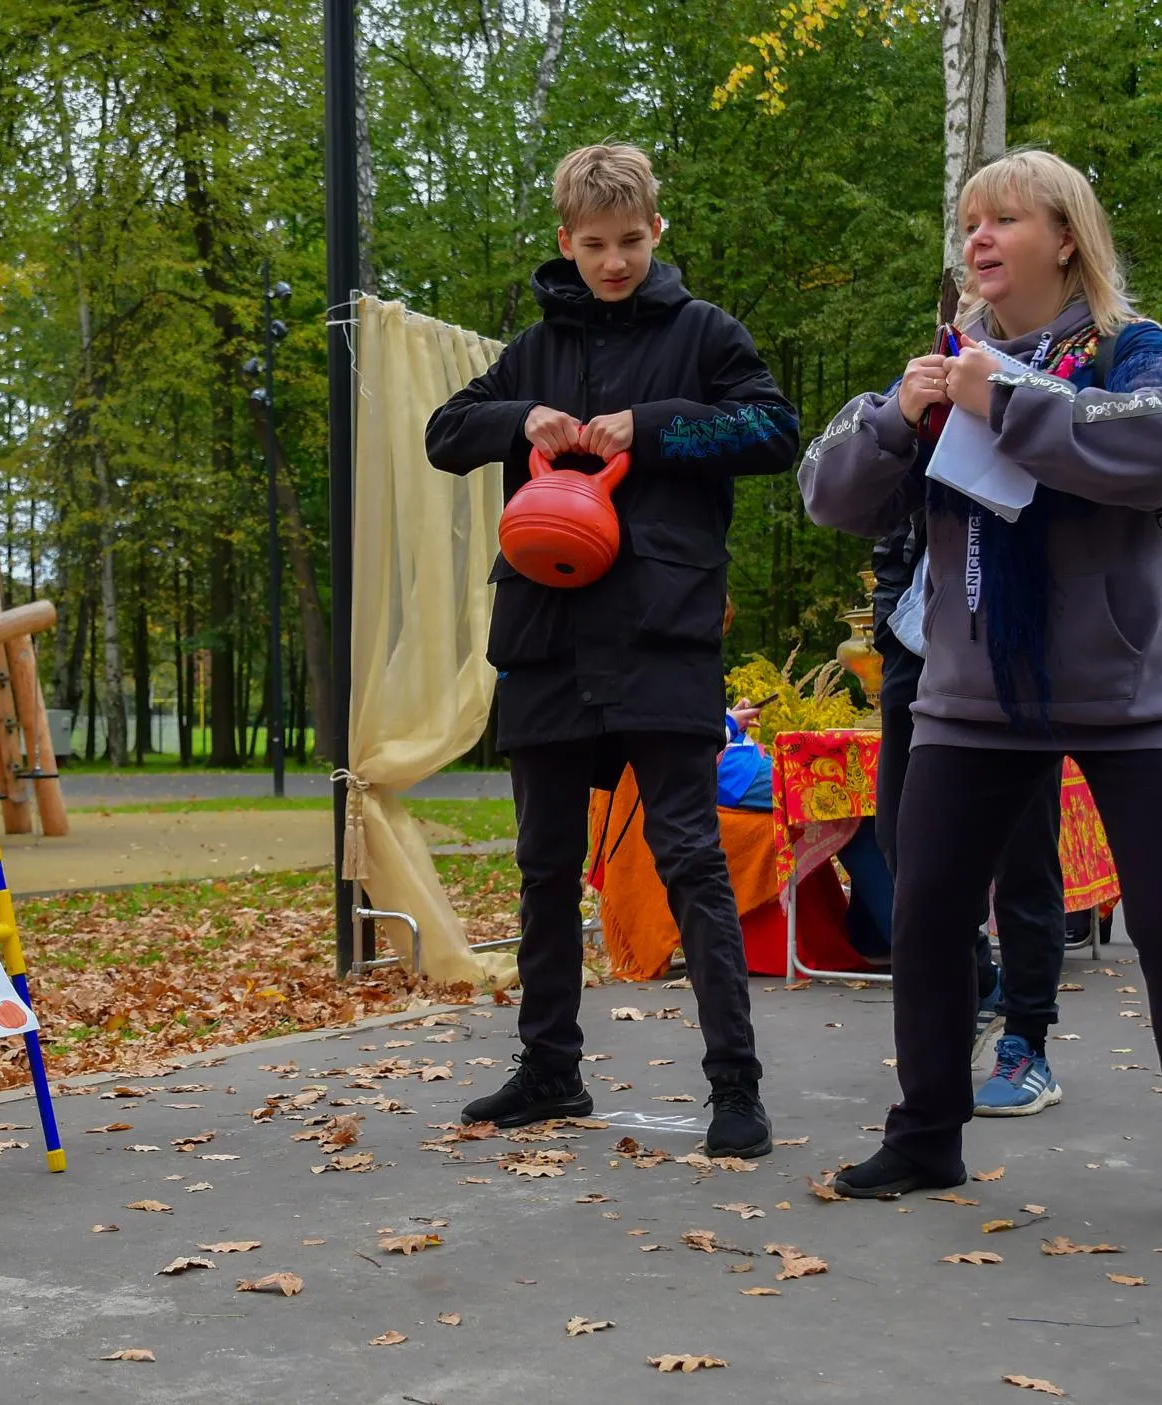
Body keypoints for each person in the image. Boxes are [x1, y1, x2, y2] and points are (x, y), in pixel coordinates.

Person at [799, 148, 1162, 1244]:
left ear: (1066, 237)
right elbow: (828, 493)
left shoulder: (1131, 349)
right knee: (928, 906)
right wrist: (899, 416)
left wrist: (1008, 397)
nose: (977, 239)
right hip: (975, 692)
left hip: (1140, 690)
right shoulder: (940, 367)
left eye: (1005, 219)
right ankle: (927, 1132)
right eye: (970, 223)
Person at [425, 142, 800, 1156]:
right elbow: (446, 432)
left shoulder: (703, 333)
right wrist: (524, 420)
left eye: (631, 241)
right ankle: (550, 1071)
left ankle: (735, 1086)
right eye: (594, 245)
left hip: (659, 633)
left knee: (690, 857)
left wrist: (654, 428)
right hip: (546, 637)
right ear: (566, 241)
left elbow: (773, 431)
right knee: (545, 865)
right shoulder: (533, 349)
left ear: (656, 231)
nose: (615, 262)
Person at [875, 489, 1070, 1115]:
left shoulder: (1041, 420)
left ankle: (1026, 1043)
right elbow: (890, 517)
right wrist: (889, 619)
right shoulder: (931, 424)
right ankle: (981, 984)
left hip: (1021, 647)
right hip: (920, 648)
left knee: (1023, 855)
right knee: (902, 846)